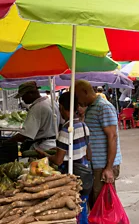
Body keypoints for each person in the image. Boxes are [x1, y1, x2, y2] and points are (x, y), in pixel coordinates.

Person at [36, 92, 91, 224]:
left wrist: (45, 156)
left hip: (72, 178)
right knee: (82, 210)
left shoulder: (66, 130)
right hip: (86, 175)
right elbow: (89, 154)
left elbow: (58, 161)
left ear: (61, 107)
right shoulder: (84, 126)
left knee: (73, 214)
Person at [75, 80, 122, 206]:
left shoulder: (104, 107)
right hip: (95, 165)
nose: (77, 101)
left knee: (104, 205)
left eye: (77, 96)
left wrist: (108, 168)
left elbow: (112, 137)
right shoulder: (90, 108)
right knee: (97, 204)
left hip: (103, 166)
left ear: (85, 92)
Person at [9, 81, 59, 151]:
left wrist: (7, 141)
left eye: (23, 96)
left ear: (30, 93)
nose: (22, 99)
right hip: (55, 144)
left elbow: (25, 135)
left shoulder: (36, 108)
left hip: (42, 147)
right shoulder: (52, 103)